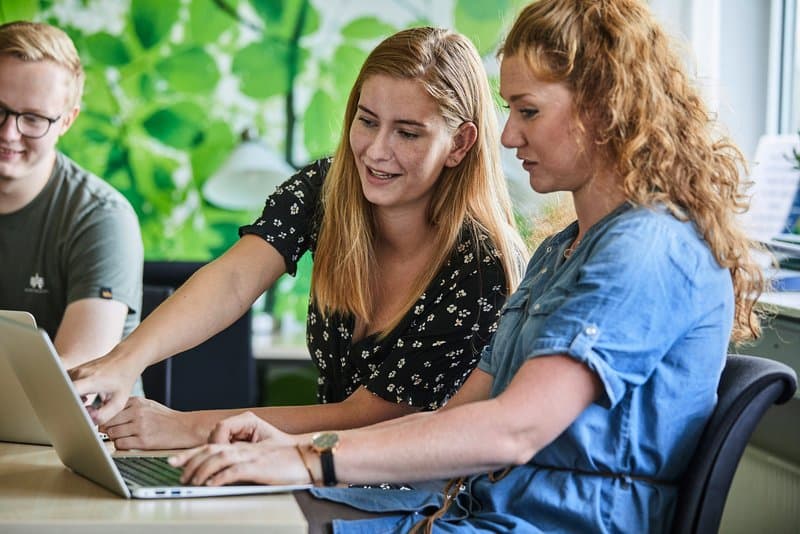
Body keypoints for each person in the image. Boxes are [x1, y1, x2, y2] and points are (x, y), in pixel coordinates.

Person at [167, 1, 766, 532]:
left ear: (603, 108)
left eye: (528, 111)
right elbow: (457, 419)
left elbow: (512, 430)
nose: (507, 136)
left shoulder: (647, 249)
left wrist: (304, 457)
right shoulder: (561, 250)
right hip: (469, 511)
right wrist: (298, 445)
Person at [70, 27, 528, 450]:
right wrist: (125, 361)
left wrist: (190, 428)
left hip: (419, 501)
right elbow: (233, 280)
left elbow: (372, 418)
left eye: (407, 132)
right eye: (367, 121)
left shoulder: (482, 264)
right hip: (308, 471)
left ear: (460, 144)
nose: (376, 150)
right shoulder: (326, 189)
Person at [0, 21, 143, 371]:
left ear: (66, 121)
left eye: (33, 119)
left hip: (79, 424)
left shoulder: (101, 218)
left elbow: (78, 373)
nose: (8, 133)